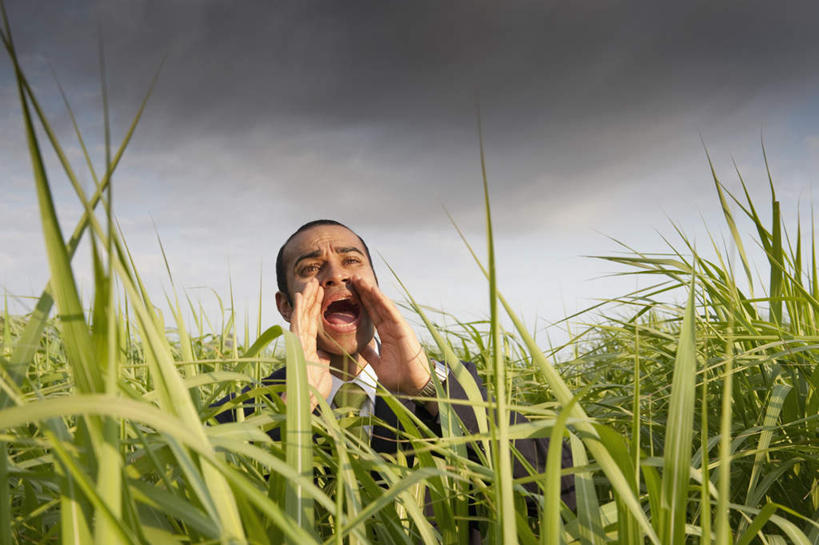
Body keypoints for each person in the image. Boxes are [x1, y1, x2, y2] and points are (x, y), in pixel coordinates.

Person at [214, 219, 575, 530]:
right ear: (285, 304)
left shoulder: (452, 392)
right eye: (310, 268)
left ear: (374, 285)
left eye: (351, 261)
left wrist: (431, 391)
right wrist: (289, 411)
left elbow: (561, 486)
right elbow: (198, 503)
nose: (336, 275)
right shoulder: (241, 413)